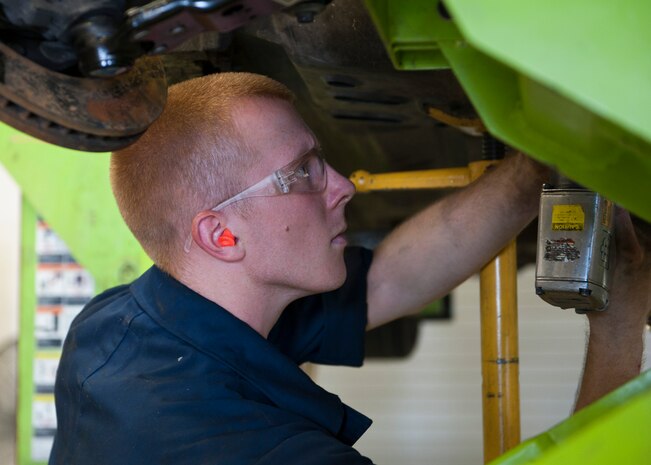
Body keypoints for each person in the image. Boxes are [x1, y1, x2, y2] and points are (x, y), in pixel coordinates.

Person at [49, 72, 650, 464]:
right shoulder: (262, 452)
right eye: (304, 171)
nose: (342, 185)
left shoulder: (115, 326)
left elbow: (387, 281)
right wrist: (618, 332)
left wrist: (535, 171)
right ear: (221, 233)